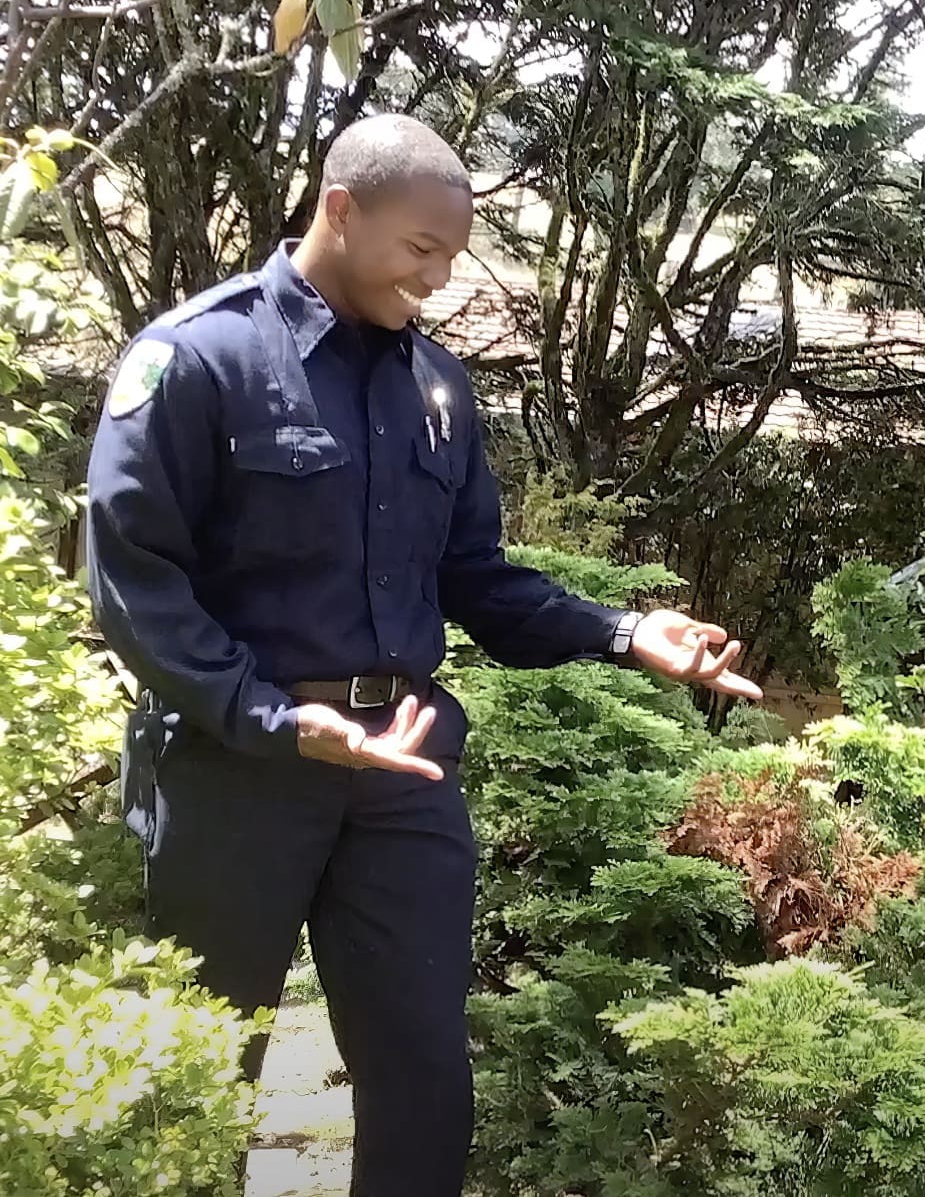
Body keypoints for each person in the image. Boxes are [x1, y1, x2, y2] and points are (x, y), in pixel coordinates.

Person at [84, 113, 761, 1196]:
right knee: (197, 1081)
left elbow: (478, 581)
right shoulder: (199, 357)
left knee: (423, 1077)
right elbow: (135, 580)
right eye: (420, 251)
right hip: (234, 771)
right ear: (341, 213)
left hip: (400, 771)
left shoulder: (438, 389)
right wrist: (265, 716)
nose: (440, 278)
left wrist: (627, 631)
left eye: (452, 255)